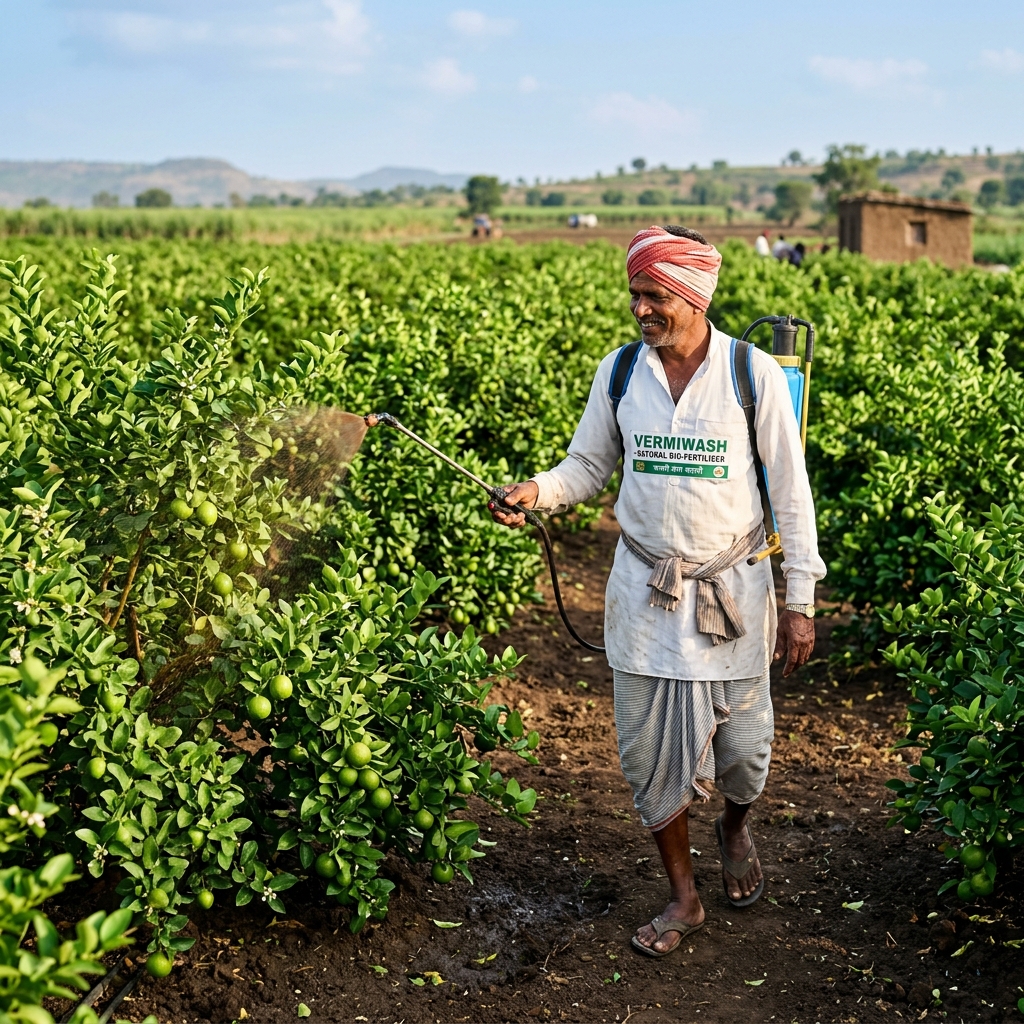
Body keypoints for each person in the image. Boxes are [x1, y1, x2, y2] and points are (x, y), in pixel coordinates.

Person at [490, 225, 825, 958]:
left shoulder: (751, 374)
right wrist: (538, 492)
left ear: (696, 297)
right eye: (635, 293)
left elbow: (792, 496)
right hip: (644, 595)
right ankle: (684, 895)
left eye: (656, 295)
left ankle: (734, 825)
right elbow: (586, 465)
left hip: (733, 596)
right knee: (648, 758)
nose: (641, 308)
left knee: (746, 755)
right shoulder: (620, 374)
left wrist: (799, 600)